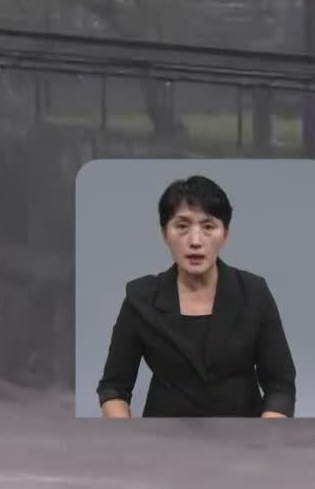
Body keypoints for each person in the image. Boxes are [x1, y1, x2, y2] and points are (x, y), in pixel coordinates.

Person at [96, 175, 298, 418]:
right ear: (164, 233)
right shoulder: (141, 299)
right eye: (182, 226)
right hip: (163, 441)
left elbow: (281, 384)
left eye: (208, 227)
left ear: (225, 234)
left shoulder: (254, 292)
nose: (195, 241)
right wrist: (129, 441)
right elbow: (114, 387)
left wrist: (264, 441)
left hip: (244, 440)